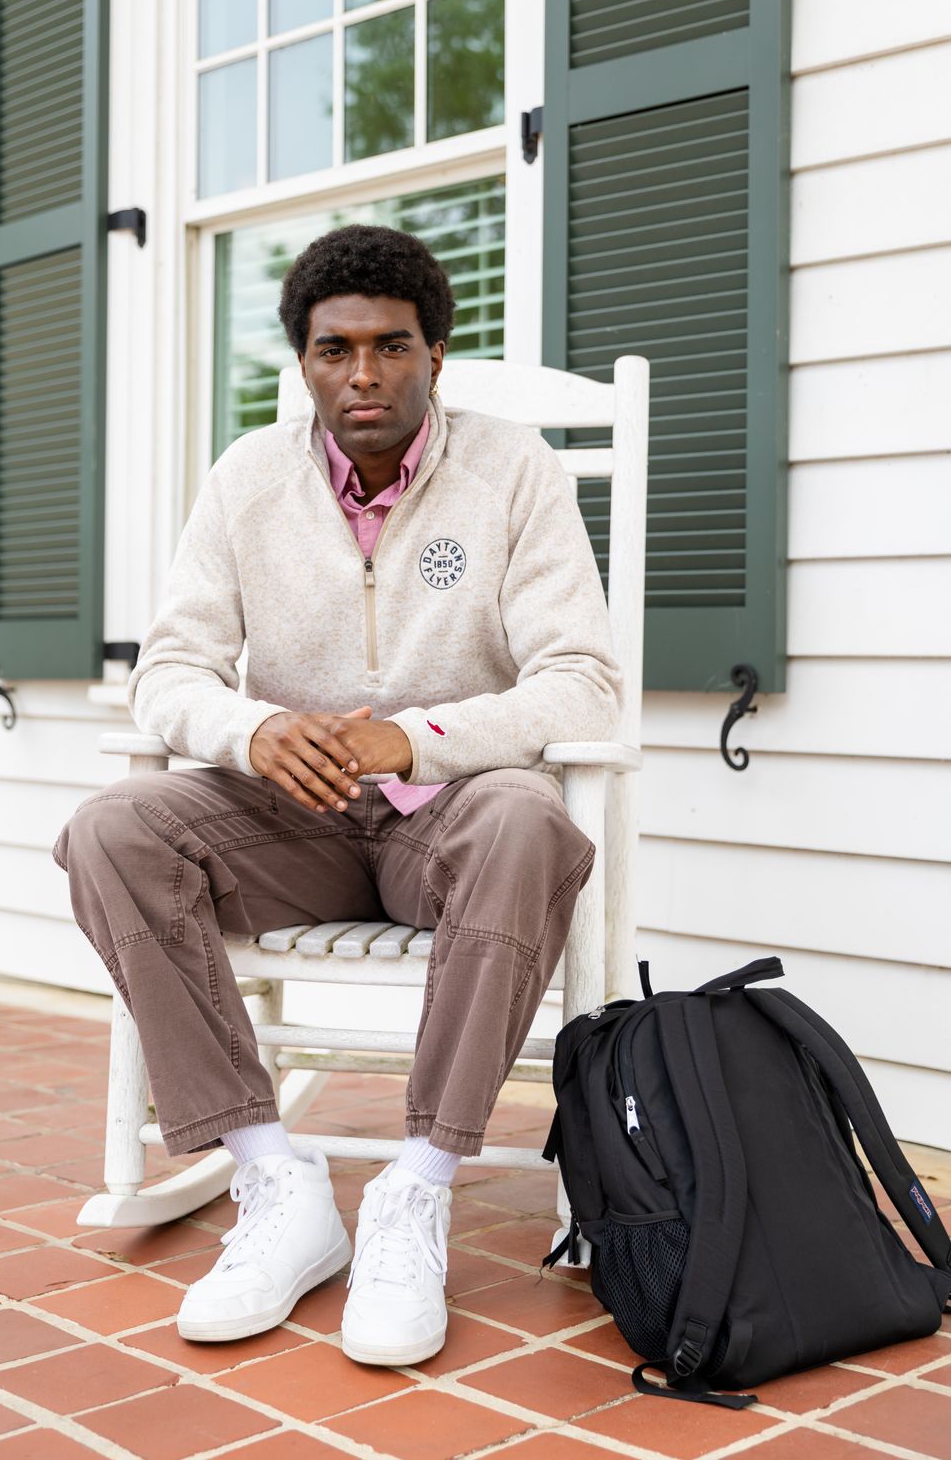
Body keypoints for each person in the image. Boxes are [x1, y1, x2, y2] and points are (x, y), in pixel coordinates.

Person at [52, 223, 623, 1366]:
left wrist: (410, 739)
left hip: (446, 821)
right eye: (334, 350)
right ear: (302, 360)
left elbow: (583, 684)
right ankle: (276, 1180)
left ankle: (416, 1188)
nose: (362, 376)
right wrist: (252, 730)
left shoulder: (515, 470)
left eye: (390, 348)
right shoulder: (245, 481)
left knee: (527, 816)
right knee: (109, 828)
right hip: (292, 821)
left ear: (434, 356)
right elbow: (169, 673)